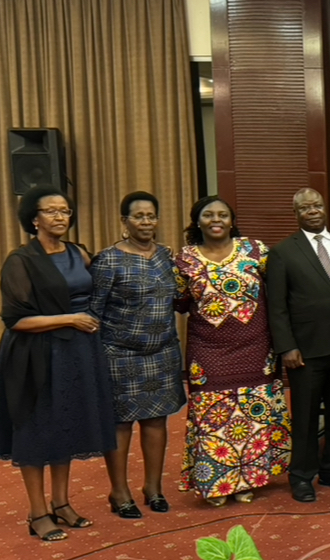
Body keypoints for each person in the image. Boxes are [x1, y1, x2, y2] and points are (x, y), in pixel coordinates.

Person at [0, 187, 115, 541]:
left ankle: (61, 503)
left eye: (65, 210)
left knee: (66, 426)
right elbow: (14, 319)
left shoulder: (79, 253)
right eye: (51, 211)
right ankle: (37, 511)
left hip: (77, 353)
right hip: (33, 355)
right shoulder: (21, 260)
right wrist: (70, 319)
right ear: (34, 218)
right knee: (35, 430)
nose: (61, 217)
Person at [175, 196, 291, 507]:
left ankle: (247, 480)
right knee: (212, 416)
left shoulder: (255, 250)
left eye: (223, 215)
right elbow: (180, 302)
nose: (216, 220)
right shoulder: (184, 259)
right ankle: (217, 482)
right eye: (208, 215)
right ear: (197, 221)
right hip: (208, 349)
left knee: (253, 413)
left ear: (232, 220)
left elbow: (279, 291)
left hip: (256, 346)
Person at [89, 191, 185, 518]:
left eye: (151, 216)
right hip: (119, 354)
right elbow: (94, 312)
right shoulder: (108, 259)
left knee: (157, 420)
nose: (146, 222)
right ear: (124, 221)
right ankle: (119, 492)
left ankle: (153, 488)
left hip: (162, 352)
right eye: (138, 216)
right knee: (120, 424)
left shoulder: (166, 256)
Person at [265, 188, 330, 503]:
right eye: (305, 208)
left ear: (325, 208)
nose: (313, 211)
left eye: (317, 205)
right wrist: (286, 347)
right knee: (305, 417)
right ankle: (302, 476)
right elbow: (276, 306)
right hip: (304, 351)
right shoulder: (282, 253)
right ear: (296, 214)